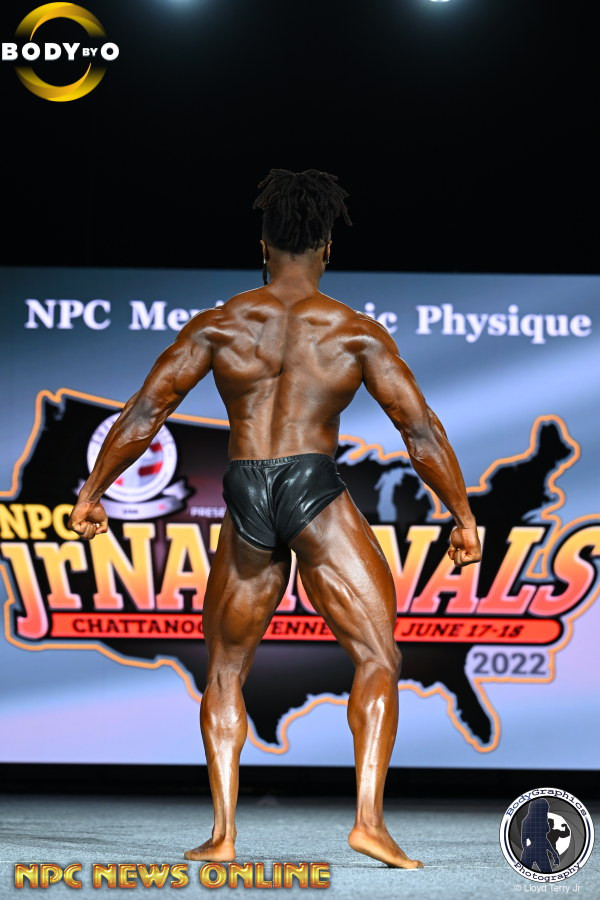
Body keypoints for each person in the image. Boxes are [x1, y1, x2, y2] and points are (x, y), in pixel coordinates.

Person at [68, 168, 481, 869]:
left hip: (246, 490)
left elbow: (144, 413)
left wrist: (91, 494)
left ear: (262, 246)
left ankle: (223, 834)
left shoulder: (219, 325)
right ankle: (369, 823)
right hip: (312, 487)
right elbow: (420, 433)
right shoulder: (354, 332)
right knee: (377, 657)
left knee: (227, 669)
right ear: (328, 249)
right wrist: (462, 515)